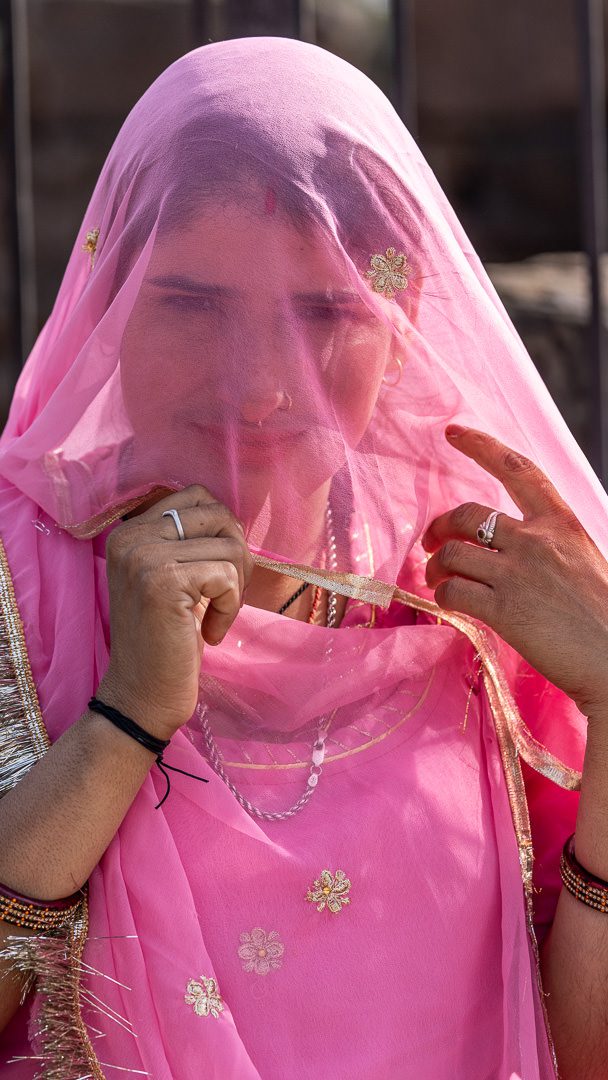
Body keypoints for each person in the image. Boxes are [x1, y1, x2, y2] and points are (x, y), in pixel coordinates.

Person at [0, 35, 607, 1080]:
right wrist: (124, 718)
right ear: (107, 301)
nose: (257, 386)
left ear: (403, 324)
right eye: (192, 305)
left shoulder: (481, 606)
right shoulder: (20, 591)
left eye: (324, 313)